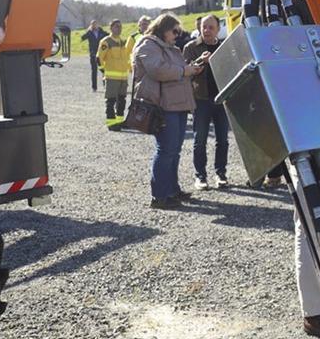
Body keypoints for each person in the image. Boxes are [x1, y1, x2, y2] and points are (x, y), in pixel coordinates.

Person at [133, 13, 206, 209]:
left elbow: (178, 69)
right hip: (163, 105)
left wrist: (192, 67)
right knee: (166, 150)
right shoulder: (148, 45)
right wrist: (184, 71)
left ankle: (172, 191)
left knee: (174, 150)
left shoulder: (169, 48)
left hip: (178, 104)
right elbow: (158, 70)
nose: (177, 35)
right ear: (163, 29)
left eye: (179, 31)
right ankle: (159, 196)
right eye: (174, 31)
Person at [183, 14, 230, 190]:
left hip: (221, 100)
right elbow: (185, 71)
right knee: (200, 140)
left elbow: (230, 69)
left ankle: (221, 174)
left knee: (222, 140)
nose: (206, 30)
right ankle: (200, 177)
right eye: (204, 27)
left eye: (211, 27)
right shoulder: (191, 47)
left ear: (218, 29)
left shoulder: (224, 47)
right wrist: (200, 61)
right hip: (200, 100)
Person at [97, 19, 130, 130]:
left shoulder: (122, 42)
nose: (119, 28)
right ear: (111, 28)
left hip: (123, 77)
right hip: (111, 77)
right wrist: (103, 71)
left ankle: (119, 122)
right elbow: (99, 58)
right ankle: (111, 123)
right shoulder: (106, 41)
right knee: (111, 101)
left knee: (122, 101)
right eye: (116, 26)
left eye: (120, 26)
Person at [81, 19, 107, 92]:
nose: (94, 25)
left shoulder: (102, 32)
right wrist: (88, 31)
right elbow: (82, 38)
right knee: (94, 71)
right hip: (93, 54)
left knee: (103, 70)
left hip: (102, 54)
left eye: (95, 24)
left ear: (98, 25)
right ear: (91, 25)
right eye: (93, 24)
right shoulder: (89, 33)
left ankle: (105, 85)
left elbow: (108, 35)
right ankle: (94, 87)